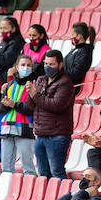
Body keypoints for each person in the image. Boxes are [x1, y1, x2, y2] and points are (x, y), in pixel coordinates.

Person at [25, 50, 74, 178]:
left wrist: (35, 95)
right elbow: (31, 105)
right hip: (40, 134)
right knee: (43, 173)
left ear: (60, 65)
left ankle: (63, 197)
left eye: (51, 64)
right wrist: (30, 93)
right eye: (45, 63)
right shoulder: (41, 79)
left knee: (56, 172)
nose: (47, 67)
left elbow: (56, 106)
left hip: (57, 135)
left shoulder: (66, 83)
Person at [0, 57, 37, 175]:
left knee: (28, 168)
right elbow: (1, 108)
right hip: (6, 128)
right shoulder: (10, 85)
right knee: (6, 169)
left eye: (28, 65)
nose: (26, 67)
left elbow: (31, 109)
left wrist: (13, 104)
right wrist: (5, 104)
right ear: (17, 67)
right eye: (23, 64)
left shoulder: (34, 85)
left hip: (24, 129)